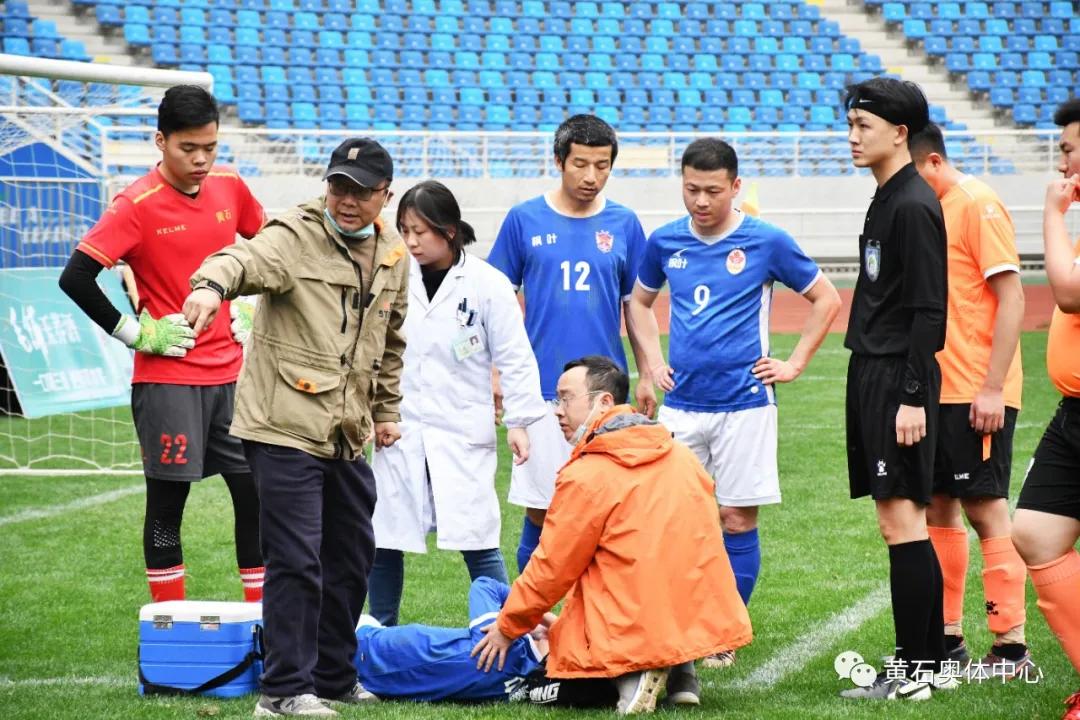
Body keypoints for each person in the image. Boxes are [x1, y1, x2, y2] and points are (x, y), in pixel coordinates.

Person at [182, 138, 408, 718]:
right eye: (339, 186)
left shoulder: (393, 254)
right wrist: (209, 287)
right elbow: (242, 260)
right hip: (281, 423)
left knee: (354, 554)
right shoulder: (295, 233)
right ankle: (283, 691)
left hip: (347, 429)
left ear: (386, 195)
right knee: (297, 556)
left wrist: (385, 412)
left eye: (361, 191)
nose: (347, 200)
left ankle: (333, 677)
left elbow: (390, 345)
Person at [626, 138, 841, 670]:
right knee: (676, 521)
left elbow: (826, 298)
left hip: (746, 404)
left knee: (737, 519)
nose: (700, 201)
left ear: (736, 187)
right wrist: (652, 362)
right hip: (683, 407)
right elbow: (639, 302)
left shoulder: (765, 241)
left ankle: (722, 632)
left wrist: (793, 364)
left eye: (713, 191)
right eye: (691, 189)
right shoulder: (665, 240)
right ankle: (676, 623)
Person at [57, 85, 265, 604]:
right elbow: (77, 277)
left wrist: (249, 303)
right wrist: (137, 332)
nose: (200, 159)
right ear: (159, 141)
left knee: (256, 495)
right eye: (187, 148)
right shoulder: (135, 204)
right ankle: (170, 626)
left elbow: (270, 246)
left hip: (235, 377)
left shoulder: (230, 185)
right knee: (168, 505)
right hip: (169, 379)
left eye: (209, 148)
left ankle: (265, 623)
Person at [471, 356, 752, 715]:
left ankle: (632, 678)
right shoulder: (681, 456)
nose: (558, 410)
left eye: (565, 398)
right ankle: (682, 672)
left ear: (604, 402)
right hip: (695, 618)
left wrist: (508, 627)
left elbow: (552, 567)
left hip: (632, 623)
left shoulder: (590, 473)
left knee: (546, 684)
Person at [367, 180, 547, 626]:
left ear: (448, 231)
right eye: (404, 230)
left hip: (461, 429)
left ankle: (507, 629)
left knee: (478, 536)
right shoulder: (390, 275)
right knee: (384, 535)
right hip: (399, 425)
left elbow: (516, 357)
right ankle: (376, 631)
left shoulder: (488, 285)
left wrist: (521, 421)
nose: (410, 241)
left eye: (420, 231)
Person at [486, 114, 659, 574]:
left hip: (605, 399)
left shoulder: (624, 223)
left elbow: (636, 308)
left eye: (602, 166)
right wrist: (497, 375)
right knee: (542, 512)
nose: (591, 176)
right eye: (580, 164)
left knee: (609, 515)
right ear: (559, 161)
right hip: (541, 392)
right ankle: (535, 625)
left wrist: (646, 376)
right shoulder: (524, 219)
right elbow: (496, 307)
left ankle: (599, 620)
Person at [908, 123, 1033, 678]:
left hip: (976, 389)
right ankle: (947, 637)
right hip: (936, 387)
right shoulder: (926, 209)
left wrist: (991, 386)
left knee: (986, 508)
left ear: (932, 161)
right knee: (937, 506)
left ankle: (1010, 644)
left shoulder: (978, 203)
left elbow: (1012, 297)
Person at [839, 77, 950, 701]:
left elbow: (930, 310)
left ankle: (917, 672)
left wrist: (911, 395)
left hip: (896, 377)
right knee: (903, 520)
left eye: (864, 126)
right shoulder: (886, 197)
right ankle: (928, 664)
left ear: (900, 133)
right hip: (874, 370)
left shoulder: (911, 202)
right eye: (851, 125)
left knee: (901, 521)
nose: (852, 137)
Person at [1011, 98, 1080, 720]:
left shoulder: (1069, 219)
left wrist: (1052, 215)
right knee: (1034, 531)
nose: (1062, 162)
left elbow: (1069, 291)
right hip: (1074, 415)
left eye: (1068, 149)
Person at [355, 577, 551, 702]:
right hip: (376, 675)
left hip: (366, 648)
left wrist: (545, 617)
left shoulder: (498, 645)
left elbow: (484, 585)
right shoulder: (527, 686)